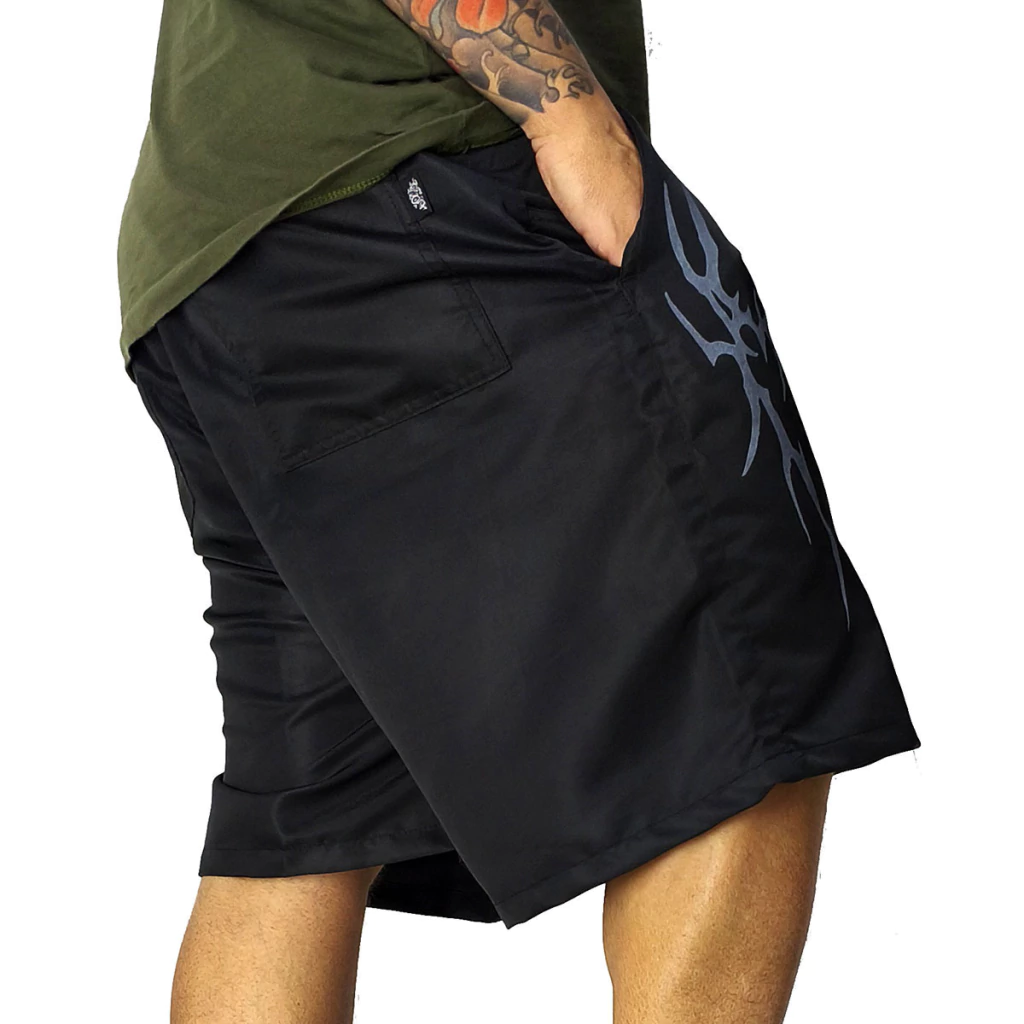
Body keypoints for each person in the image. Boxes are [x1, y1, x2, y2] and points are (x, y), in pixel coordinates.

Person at [117, 2, 921, 1021]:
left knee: (311, 810)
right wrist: (569, 111)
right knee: (752, 694)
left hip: (222, 256)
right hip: (426, 181)